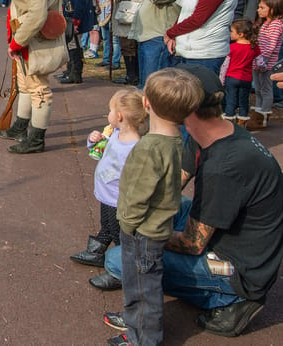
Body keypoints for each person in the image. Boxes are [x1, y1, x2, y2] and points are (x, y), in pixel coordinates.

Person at [98, 64, 283, 339]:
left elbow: (193, 243)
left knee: (120, 260)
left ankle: (231, 300)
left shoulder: (225, 166)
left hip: (238, 266)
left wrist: (145, 236)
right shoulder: (212, 132)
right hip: (228, 227)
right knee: (164, 212)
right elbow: (176, 181)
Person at [103, 68, 203, 346]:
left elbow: (138, 194)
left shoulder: (149, 147)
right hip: (157, 227)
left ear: (147, 104)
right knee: (143, 283)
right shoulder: (175, 142)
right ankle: (136, 324)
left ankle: (143, 338)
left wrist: (126, 222)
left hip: (142, 231)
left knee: (142, 287)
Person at [0, 0, 67, 153]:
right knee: (26, 86)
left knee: (38, 90)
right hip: (29, 41)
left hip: (34, 41)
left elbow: (36, 15)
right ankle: (20, 127)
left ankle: (36, 139)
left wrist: (17, 42)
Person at [69, 89, 146, 267]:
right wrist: (92, 139)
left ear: (119, 116)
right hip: (106, 193)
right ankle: (97, 250)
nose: (108, 115)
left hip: (117, 198)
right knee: (106, 224)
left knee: (118, 231)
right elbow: (98, 149)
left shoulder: (134, 146)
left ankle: (122, 265)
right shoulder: (114, 134)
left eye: (110, 111)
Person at [107, 0, 145, 85]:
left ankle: (133, 76)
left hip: (130, 15)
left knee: (130, 46)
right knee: (126, 46)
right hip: (124, 14)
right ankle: (131, 74)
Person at [248, 0, 283, 129]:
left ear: (273, 10)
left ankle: (263, 114)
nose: (258, 10)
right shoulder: (265, 23)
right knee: (258, 89)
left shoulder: (276, 25)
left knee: (266, 89)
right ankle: (258, 111)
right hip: (259, 62)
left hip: (267, 64)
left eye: (262, 8)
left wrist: (262, 59)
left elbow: (271, 45)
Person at [223, 18, 261, 126]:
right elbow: (260, 63)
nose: (230, 33)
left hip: (231, 77)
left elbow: (225, 65)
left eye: (232, 31)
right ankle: (242, 123)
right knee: (244, 101)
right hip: (246, 79)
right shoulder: (254, 47)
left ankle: (229, 123)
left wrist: (221, 79)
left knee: (230, 100)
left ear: (240, 34)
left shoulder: (231, 47)